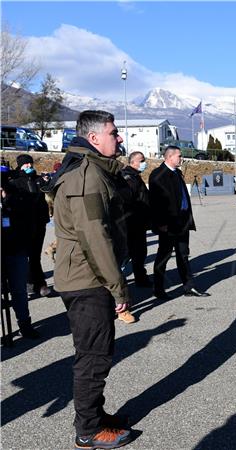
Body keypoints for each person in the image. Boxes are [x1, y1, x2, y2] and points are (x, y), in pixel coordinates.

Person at [53, 110, 133, 449]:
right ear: (94, 138)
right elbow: (94, 237)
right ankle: (87, 429)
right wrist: (118, 287)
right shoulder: (86, 176)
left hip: (88, 276)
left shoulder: (92, 169)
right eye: (114, 133)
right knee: (93, 356)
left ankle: (95, 415)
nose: (120, 139)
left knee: (97, 351)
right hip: (87, 280)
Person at [149, 146, 210, 299]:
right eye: (179, 156)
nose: (181, 158)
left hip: (182, 221)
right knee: (164, 255)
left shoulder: (177, 173)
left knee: (183, 255)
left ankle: (189, 287)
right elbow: (155, 203)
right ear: (169, 157)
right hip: (168, 224)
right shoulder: (158, 175)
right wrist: (161, 223)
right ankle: (158, 288)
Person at [1, 173, 40, 339]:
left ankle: (25, 324)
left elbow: (29, 220)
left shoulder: (17, 199)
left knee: (19, 291)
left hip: (17, 251)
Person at [11, 154, 51, 297]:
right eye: (26, 164)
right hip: (23, 224)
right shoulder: (15, 181)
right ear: (20, 165)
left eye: (30, 163)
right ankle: (33, 283)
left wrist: (47, 183)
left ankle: (37, 284)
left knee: (35, 255)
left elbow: (47, 194)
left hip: (39, 223)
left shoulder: (38, 179)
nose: (29, 166)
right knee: (25, 255)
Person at [121, 151, 150, 288]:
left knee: (140, 253)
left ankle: (141, 278)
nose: (144, 163)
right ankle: (119, 283)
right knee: (126, 255)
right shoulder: (127, 178)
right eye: (141, 160)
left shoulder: (135, 177)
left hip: (139, 223)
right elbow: (128, 201)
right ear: (133, 162)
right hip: (130, 224)